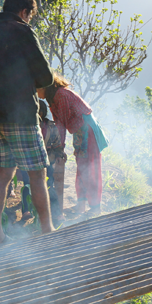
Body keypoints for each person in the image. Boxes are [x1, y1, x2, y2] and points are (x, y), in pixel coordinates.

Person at [0, 0, 55, 246]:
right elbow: (45, 77)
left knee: (3, 174)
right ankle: (47, 232)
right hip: (19, 114)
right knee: (36, 173)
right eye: (29, 16)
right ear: (24, 12)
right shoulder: (22, 31)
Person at [42, 73, 109, 216]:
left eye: (37, 87)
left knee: (90, 168)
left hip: (88, 131)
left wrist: (60, 147)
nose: (35, 91)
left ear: (45, 86)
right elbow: (59, 122)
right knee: (82, 168)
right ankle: (81, 205)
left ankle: (95, 207)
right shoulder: (53, 98)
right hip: (80, 132)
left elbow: (62, 123)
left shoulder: (61, 95)